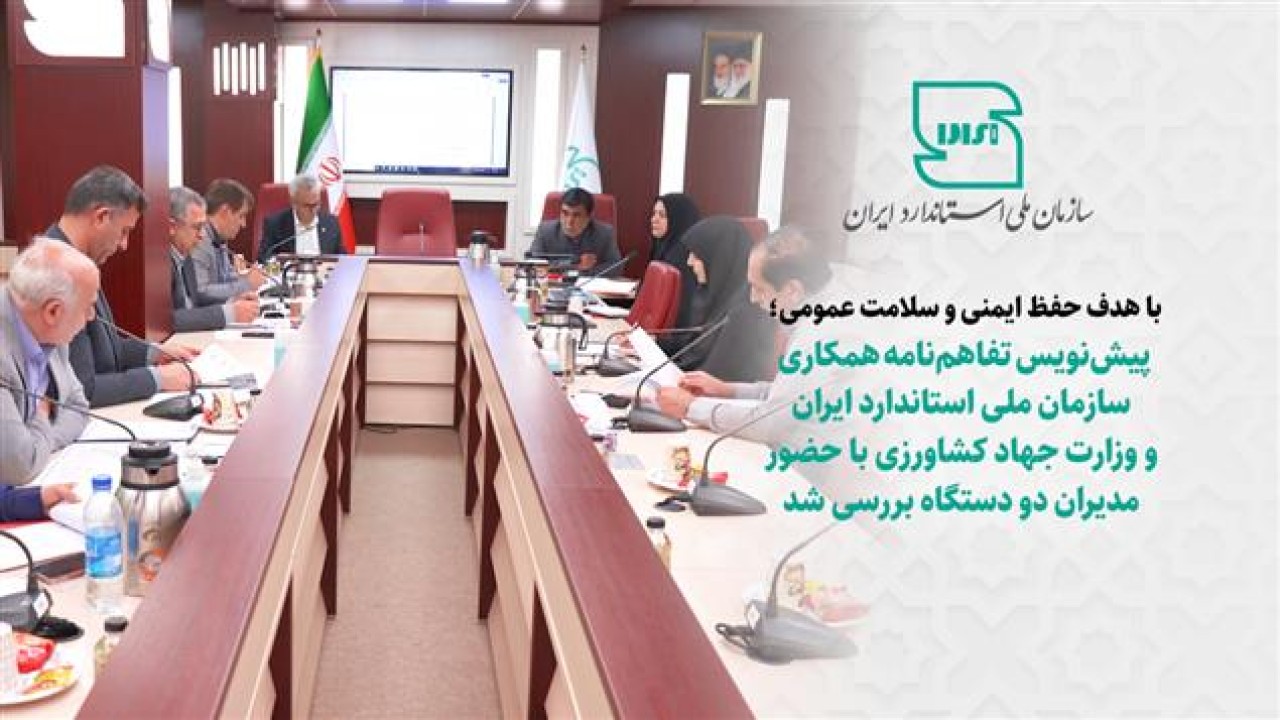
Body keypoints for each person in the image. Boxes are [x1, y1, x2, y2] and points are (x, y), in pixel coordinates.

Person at [656, 225, 838, 442]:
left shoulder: (823, 334)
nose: (752, 298)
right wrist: (727, 390)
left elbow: (770, 424)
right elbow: (786, 394)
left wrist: (691, 407)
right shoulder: (818, 315)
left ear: (792, 291)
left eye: (760, 289)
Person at [48, 166, 197, 408]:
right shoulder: (56, 272)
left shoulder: (75, 258)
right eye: (124, 231)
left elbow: (105, 351)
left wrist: (156, 353)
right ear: (101, 217)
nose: (124, 245)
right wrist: (158, 379)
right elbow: (83, 389)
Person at [1, 238, 95, 494]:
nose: (91, 317)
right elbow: (19, 465)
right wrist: (43, 415)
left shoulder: (48, 331)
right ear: (53, 311)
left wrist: (37, 442)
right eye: (88, 307)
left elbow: (78, 407)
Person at [658, 216, 775, 382]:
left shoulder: (746, 310)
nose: (689, 262)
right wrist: (652, 342)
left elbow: (715, 376)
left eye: (696, 255)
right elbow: (693, 343)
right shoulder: (719, 296)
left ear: (720, 257)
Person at [169, 187, 259, 332]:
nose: (202, 235)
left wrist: (231, 302)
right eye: (197, 227)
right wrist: (229, 313)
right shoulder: (160, 265)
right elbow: (166, 321)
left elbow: (194, 305)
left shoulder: (186, 256)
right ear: (172, 227)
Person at [191, 178, 266, 303]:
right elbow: (200, 292)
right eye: (241, 216)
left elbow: (226, 277)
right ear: (225, 212)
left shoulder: (219, 237)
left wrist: (247, 277)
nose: (243, 224)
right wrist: (247, 284)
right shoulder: (199, 239)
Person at [529, 188, 622, 276]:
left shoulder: (604, 233)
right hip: (553, 284)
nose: (569, 221)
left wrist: (584, 272)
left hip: (590, 286)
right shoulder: (545, 231)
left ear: (589, 217)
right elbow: (533, 263)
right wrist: (577, 266)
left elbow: (616, 267)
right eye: (565, 213)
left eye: (576, 215)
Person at [259, 173, 345, 261]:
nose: (313, 210)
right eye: (307, 206)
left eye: (316, 204)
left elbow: (343, 258)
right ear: (293, 202)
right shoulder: (275, 224)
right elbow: (264, 257)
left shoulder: (331, 223)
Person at [646, 193, 702, 327]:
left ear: (678, 219)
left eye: (662, 215)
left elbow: (681, 311)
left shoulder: (683, 257)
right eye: (654, 214)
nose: (654, 219)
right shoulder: (663, 246)